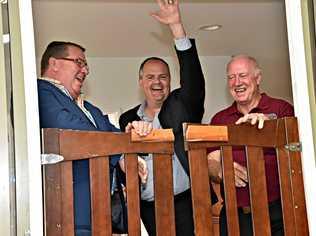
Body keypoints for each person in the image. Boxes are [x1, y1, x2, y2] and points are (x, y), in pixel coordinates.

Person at [119, 0, 216, 235]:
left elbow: (194, 83)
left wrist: (176, 27)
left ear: (170, 82)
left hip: (187, 204)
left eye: (163, 77)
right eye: (150, 77)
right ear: (141, 82)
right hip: (146, 210)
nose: (157, 82)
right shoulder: (127, 118)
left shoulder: (179, 106)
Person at [38, 41, 147, 235]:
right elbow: (70, 130)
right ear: (54, 63)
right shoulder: (38, 92)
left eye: (86, 65)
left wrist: (127, 141)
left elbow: (114, 137)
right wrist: (121, 146)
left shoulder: (91, 110)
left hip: (101, 218)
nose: (85, 70)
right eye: (79, 62)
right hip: (68, 218)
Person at [207, 54, 294, 236]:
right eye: (231, 77)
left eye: (243, 75)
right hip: (234, 217)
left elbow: (295, 148)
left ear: (258, 78)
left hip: (278, 215)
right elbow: (211, 162)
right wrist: (221, 170)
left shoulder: (281, 109)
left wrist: (268, 124)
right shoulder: (219, 119)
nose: (237, 82)